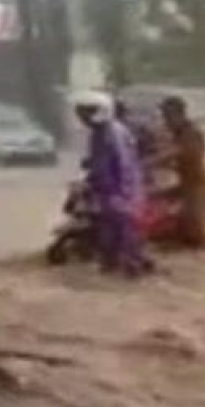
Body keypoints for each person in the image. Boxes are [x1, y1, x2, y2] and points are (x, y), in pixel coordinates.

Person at [74, 90, 151, 277]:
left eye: (85, 112)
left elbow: (123, 164)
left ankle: (133, 267)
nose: (80, 117)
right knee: (109, 233)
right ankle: (113, 268)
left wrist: (120, 193)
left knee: (124, 232)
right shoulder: (101, 132)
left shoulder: (110, 132)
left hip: (120, 192)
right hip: (110, 192)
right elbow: (100, 163)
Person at [155, 96, 205, 247]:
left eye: (167, 116)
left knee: (197, 228)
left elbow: (175, 152)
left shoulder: (190, 132)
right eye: (164, 116)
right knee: (154, 197)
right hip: (187, 183)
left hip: (199, 185)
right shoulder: (178, 132)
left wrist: (144, 163)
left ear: (178, 114)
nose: (165, 120)